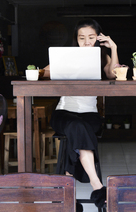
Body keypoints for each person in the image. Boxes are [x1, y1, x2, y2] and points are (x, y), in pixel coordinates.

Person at [44, 19, 118, 209]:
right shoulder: (68, 55)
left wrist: (113, 48)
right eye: (82, 38)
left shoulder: (103, 56)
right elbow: (44, 72)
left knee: (78, 129)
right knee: (77, 127)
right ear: (76, 39)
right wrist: (44, 70)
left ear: (98, 38)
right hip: (64, 113)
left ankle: (70, 197)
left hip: (89, 114)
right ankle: (97, 186)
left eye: (91, 37)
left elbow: (112, 74)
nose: (86, 42)